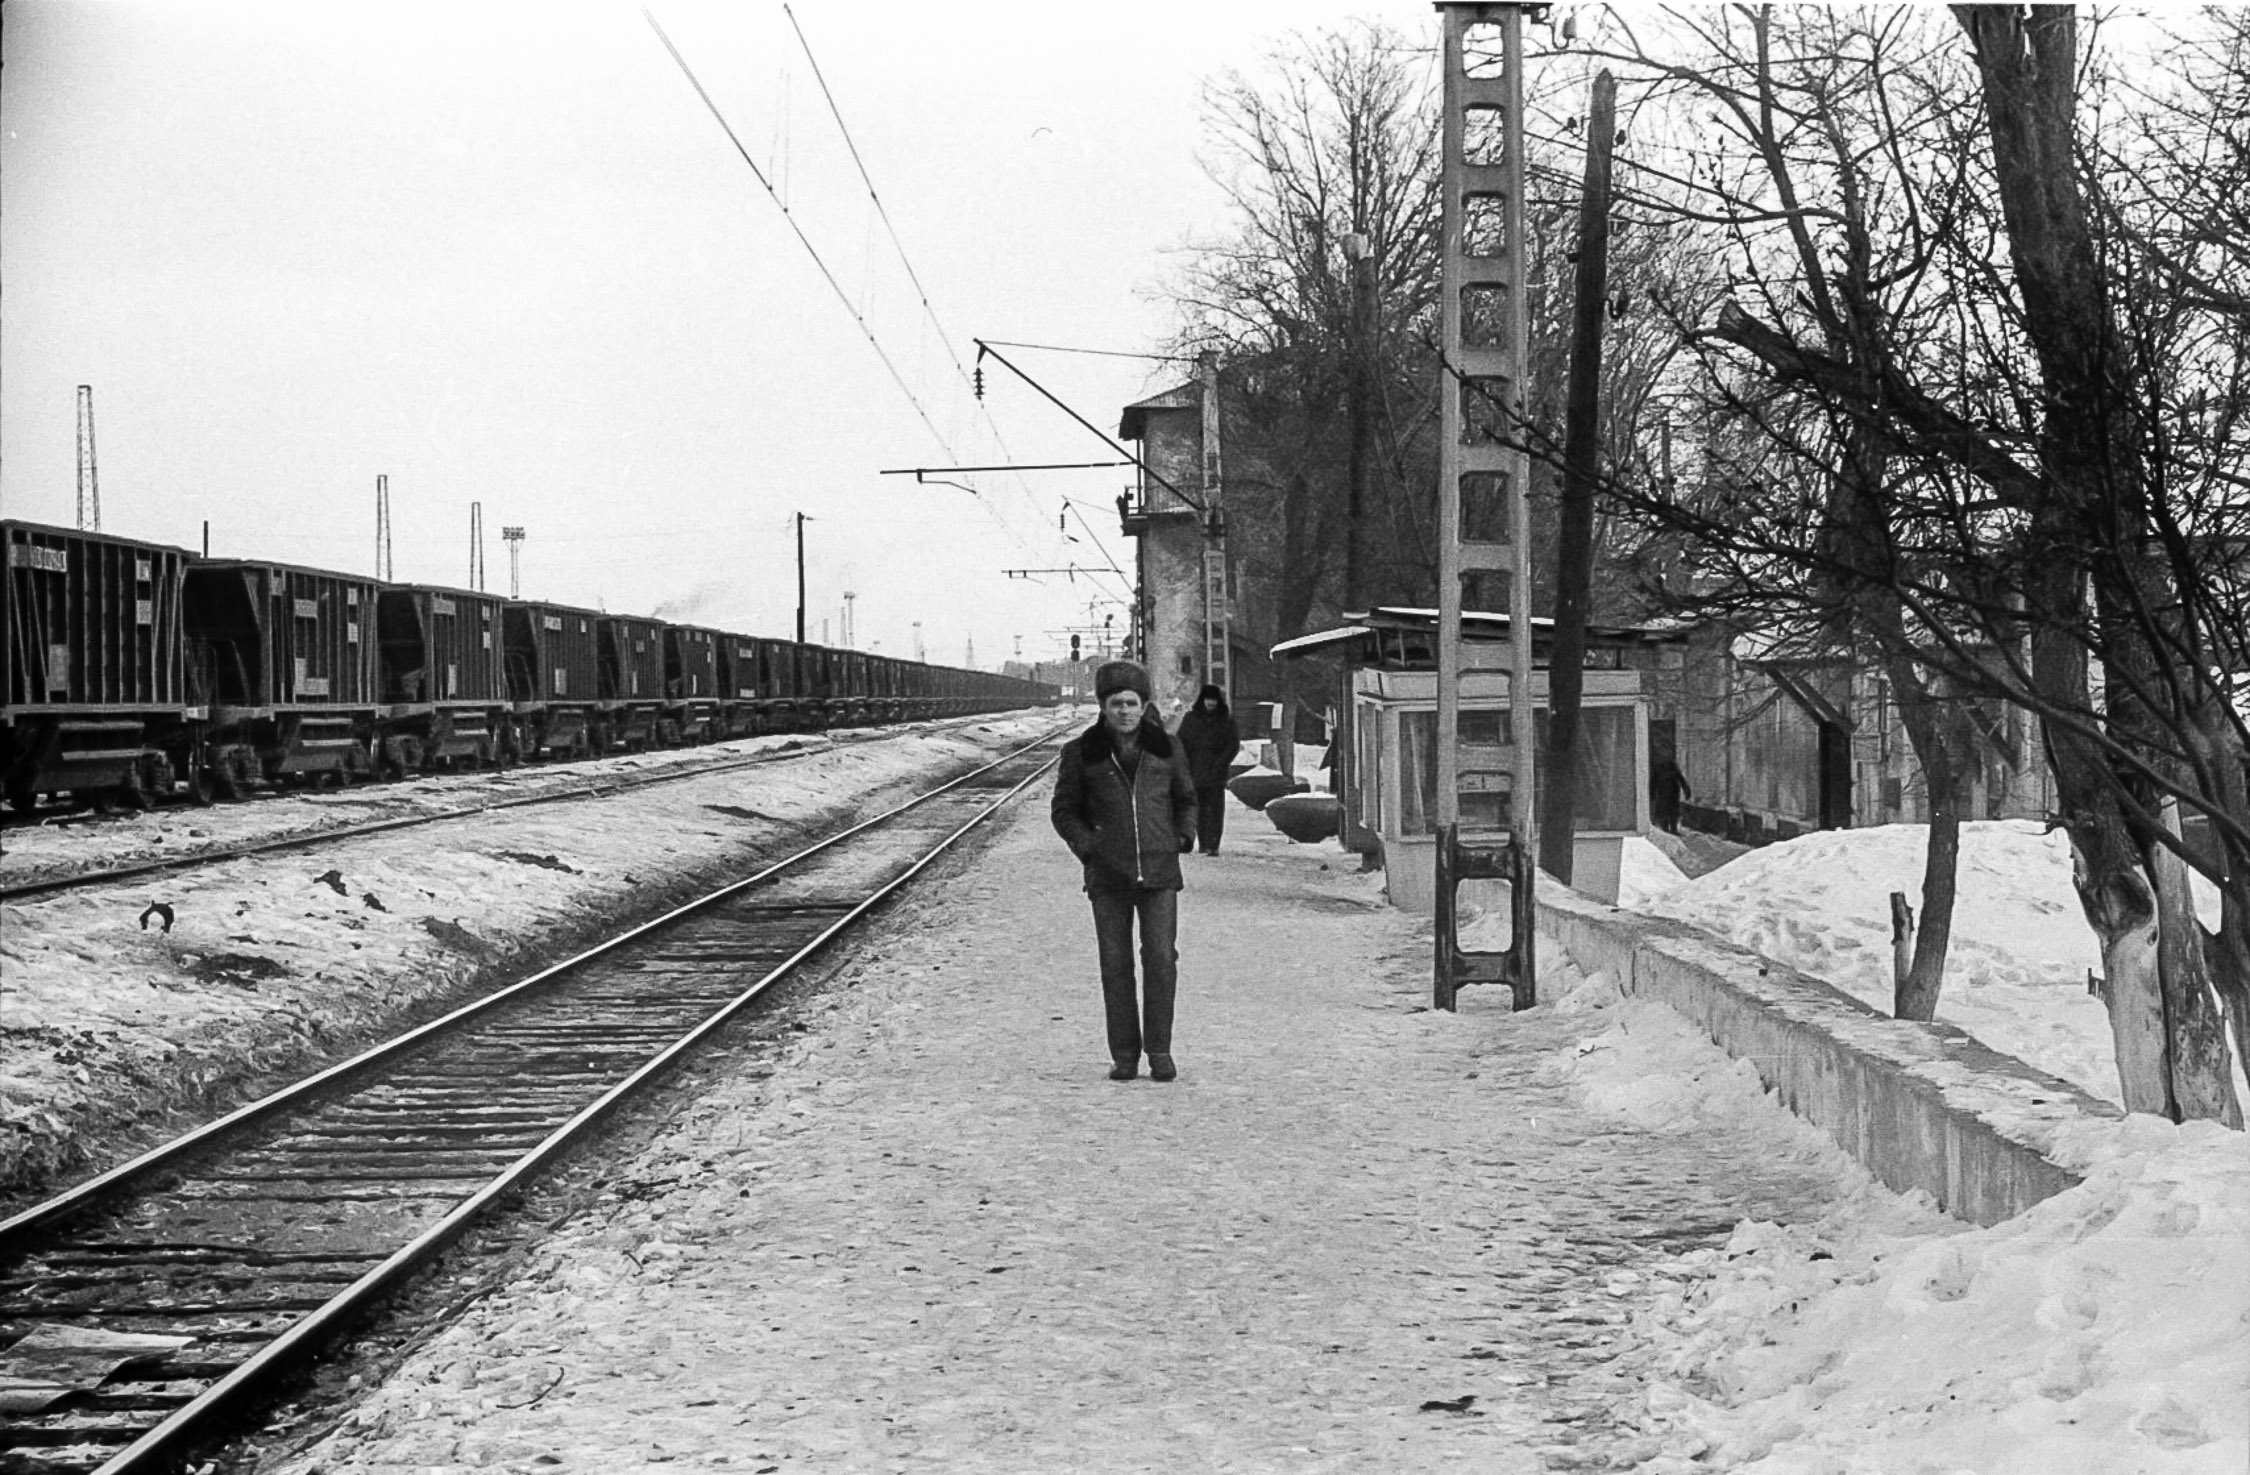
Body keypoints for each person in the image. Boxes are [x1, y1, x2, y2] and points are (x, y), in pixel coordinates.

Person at [1051, 659, 1198, 1082]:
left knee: (1161, 959)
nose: (1124, 711)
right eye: (1116, 703)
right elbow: (1064, 812)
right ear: (1103, 706)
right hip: (1108, 877)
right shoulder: (1080, 753)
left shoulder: (1166, 748)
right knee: (1115, 965)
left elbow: (1186, 800)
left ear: (1144, 704)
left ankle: (1160, 1051)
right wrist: (1089, 847)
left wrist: (1181, 839)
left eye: (1131, 703)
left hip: (1159, 873)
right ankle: (1125, 1055)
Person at [1174, 683, 1243, 855]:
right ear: (1202, 700)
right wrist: (1185, 764)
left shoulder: (1225, 720)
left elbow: (1232, 744)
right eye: (1208, 699)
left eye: (1213, 700)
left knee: (1215, 810)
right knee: (1200, 809)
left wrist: (1222, 762)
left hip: (1216, 773)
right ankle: (1204, 842)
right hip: (1195, 771)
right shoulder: (1191, 719)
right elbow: (1181, 742)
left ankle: (1213, 844)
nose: (1210, 703)